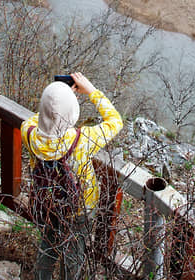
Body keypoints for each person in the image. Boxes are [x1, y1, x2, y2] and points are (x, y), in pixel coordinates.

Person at [21, 72, 123, 280]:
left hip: (48, 201)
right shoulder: (82, 139)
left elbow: (42, 117)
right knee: (74, 253)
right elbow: (115, 121)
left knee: (48, 245)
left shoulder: (28, 133)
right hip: (80, 208)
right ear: (73, 113)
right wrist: (91, 91)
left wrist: (57, 100)